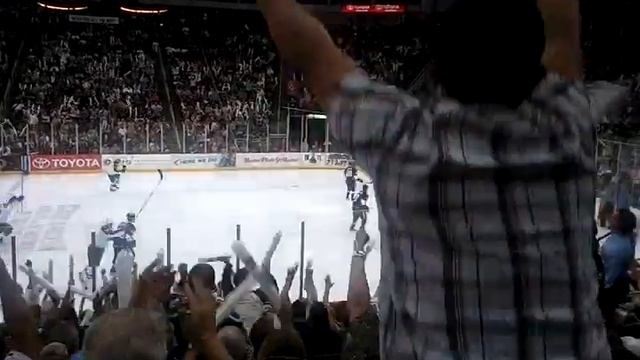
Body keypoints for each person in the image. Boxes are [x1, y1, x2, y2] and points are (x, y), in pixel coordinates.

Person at [257, 0, 624, 357]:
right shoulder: (568, 126)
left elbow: (308, 49)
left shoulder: (399, 138)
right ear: (536, 56)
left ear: (438, 66)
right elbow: (561, 30)